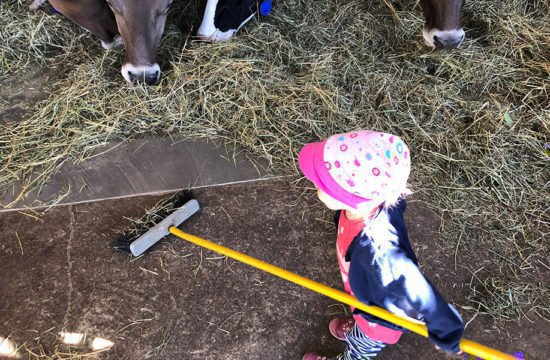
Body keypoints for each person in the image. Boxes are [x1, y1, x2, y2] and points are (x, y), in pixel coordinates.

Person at [298, 130, 464, 360]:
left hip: (378, 322)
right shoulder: (377, 198)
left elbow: (419, 292)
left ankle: (358, 339)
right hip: (363, 294)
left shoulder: (379, 251)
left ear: (348, 197)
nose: (315, 187)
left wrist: (447, 332)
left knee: (360, 350)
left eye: (321, 184)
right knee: (360, 315)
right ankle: (357, 326)